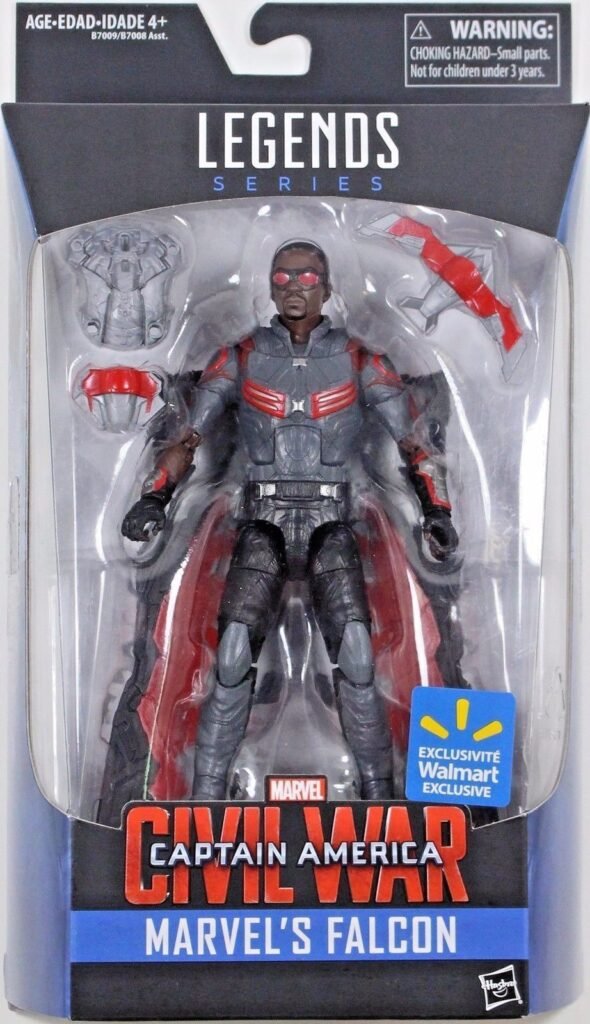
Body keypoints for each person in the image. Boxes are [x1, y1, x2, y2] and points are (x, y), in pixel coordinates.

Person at [122, 239, 458, 799]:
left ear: (327, 288)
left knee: (357, 656)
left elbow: (414, 443)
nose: (294, 288)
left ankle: (380, 796)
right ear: (270, 286)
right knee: (232, 654)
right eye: (282, 278)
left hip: (331, 520)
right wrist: (155, 498)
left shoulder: (358, 359)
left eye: (306, 278)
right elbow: (187, 435)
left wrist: (436, 512)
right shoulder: (242, 356)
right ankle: (205, 799)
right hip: (263, 519)